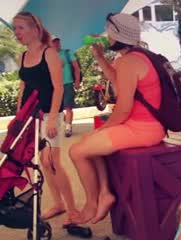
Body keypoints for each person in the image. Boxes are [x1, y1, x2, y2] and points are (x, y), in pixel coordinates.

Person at [69, 13, 166, 224]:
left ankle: (90, 205)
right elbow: (119, 81)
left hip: (143, 129)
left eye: (109, 32)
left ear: (117, 35)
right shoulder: (137, 57)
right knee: (88, 144)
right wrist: (100, 57)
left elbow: (122, 110)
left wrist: (103, 128)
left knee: (76, 151)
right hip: (144, 125)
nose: (106, 36)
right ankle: (105, 193)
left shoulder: (128, 62)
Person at [13, 12, 80, 224]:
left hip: (50, 113)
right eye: (15, 29)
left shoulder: (49, 53)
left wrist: (52, 118)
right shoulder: (22, 56)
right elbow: (23, 86)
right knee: (43, 162)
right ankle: (59, 204)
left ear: (35, 29)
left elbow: (58, 88)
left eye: (20, 28)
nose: (17, 33)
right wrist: (18, 116)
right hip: (30, 116)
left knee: (51, 161)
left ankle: (72, 210)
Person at [51, 37, 80, 137]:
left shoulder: (67, 53)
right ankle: (64, 122)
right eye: (54, 42)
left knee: (68, 107)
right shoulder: (48, 55)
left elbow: (76, 68)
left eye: (58, 42)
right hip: (54, 85)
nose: (56, 44)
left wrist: (77, 81)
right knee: (56, 108)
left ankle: (68, 127)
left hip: (67, 83)